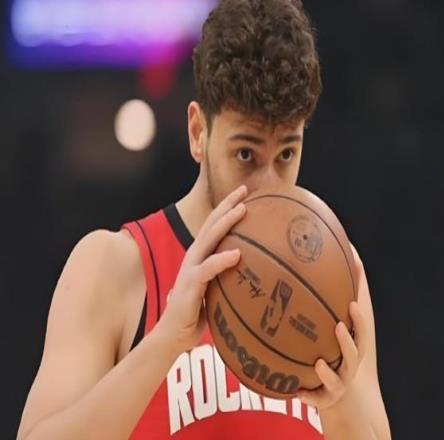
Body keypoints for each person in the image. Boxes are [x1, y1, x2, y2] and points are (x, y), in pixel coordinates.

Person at [17, 1, 391, 439]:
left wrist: (340, 400)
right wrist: (165, 343)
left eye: (287, 154)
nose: (267, 184)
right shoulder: (113, 266)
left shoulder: (338, 277)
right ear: (198, 132)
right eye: (246, 154)